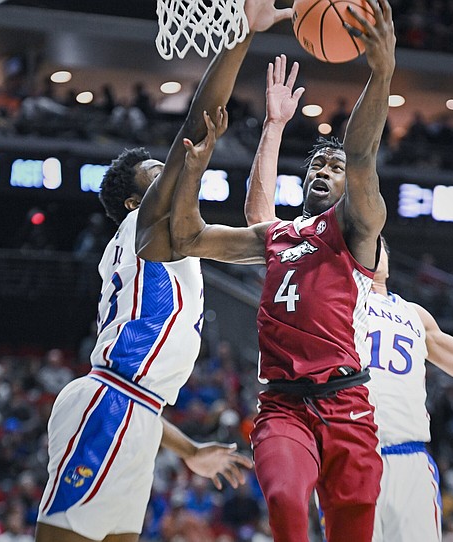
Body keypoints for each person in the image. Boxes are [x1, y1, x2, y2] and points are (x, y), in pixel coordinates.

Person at [245, 56, 453, 542]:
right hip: (343, 452)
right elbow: (262, 224)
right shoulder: (317, 282)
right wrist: (274, 128)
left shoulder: (412, 315)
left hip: (407, 462)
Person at [34, 2, 290, 541]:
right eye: (161, 170)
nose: (176, 166)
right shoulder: (145, 229)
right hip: (108, 401)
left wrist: (336, 230)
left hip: (135, 411)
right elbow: (198, 124)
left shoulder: (179, 244)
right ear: (135, 202)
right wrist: (241, 32)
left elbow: (260, 244)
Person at [157, 2, 396, 539]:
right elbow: (193, 236)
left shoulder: (357, 230)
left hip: (347, 404)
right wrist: (268, 128)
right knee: (286, 499)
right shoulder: (280, 236)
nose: (325, 170)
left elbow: (361, 159)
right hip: (284, 405)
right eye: (317, 163)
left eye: (333, 168)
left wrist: (380, 74)